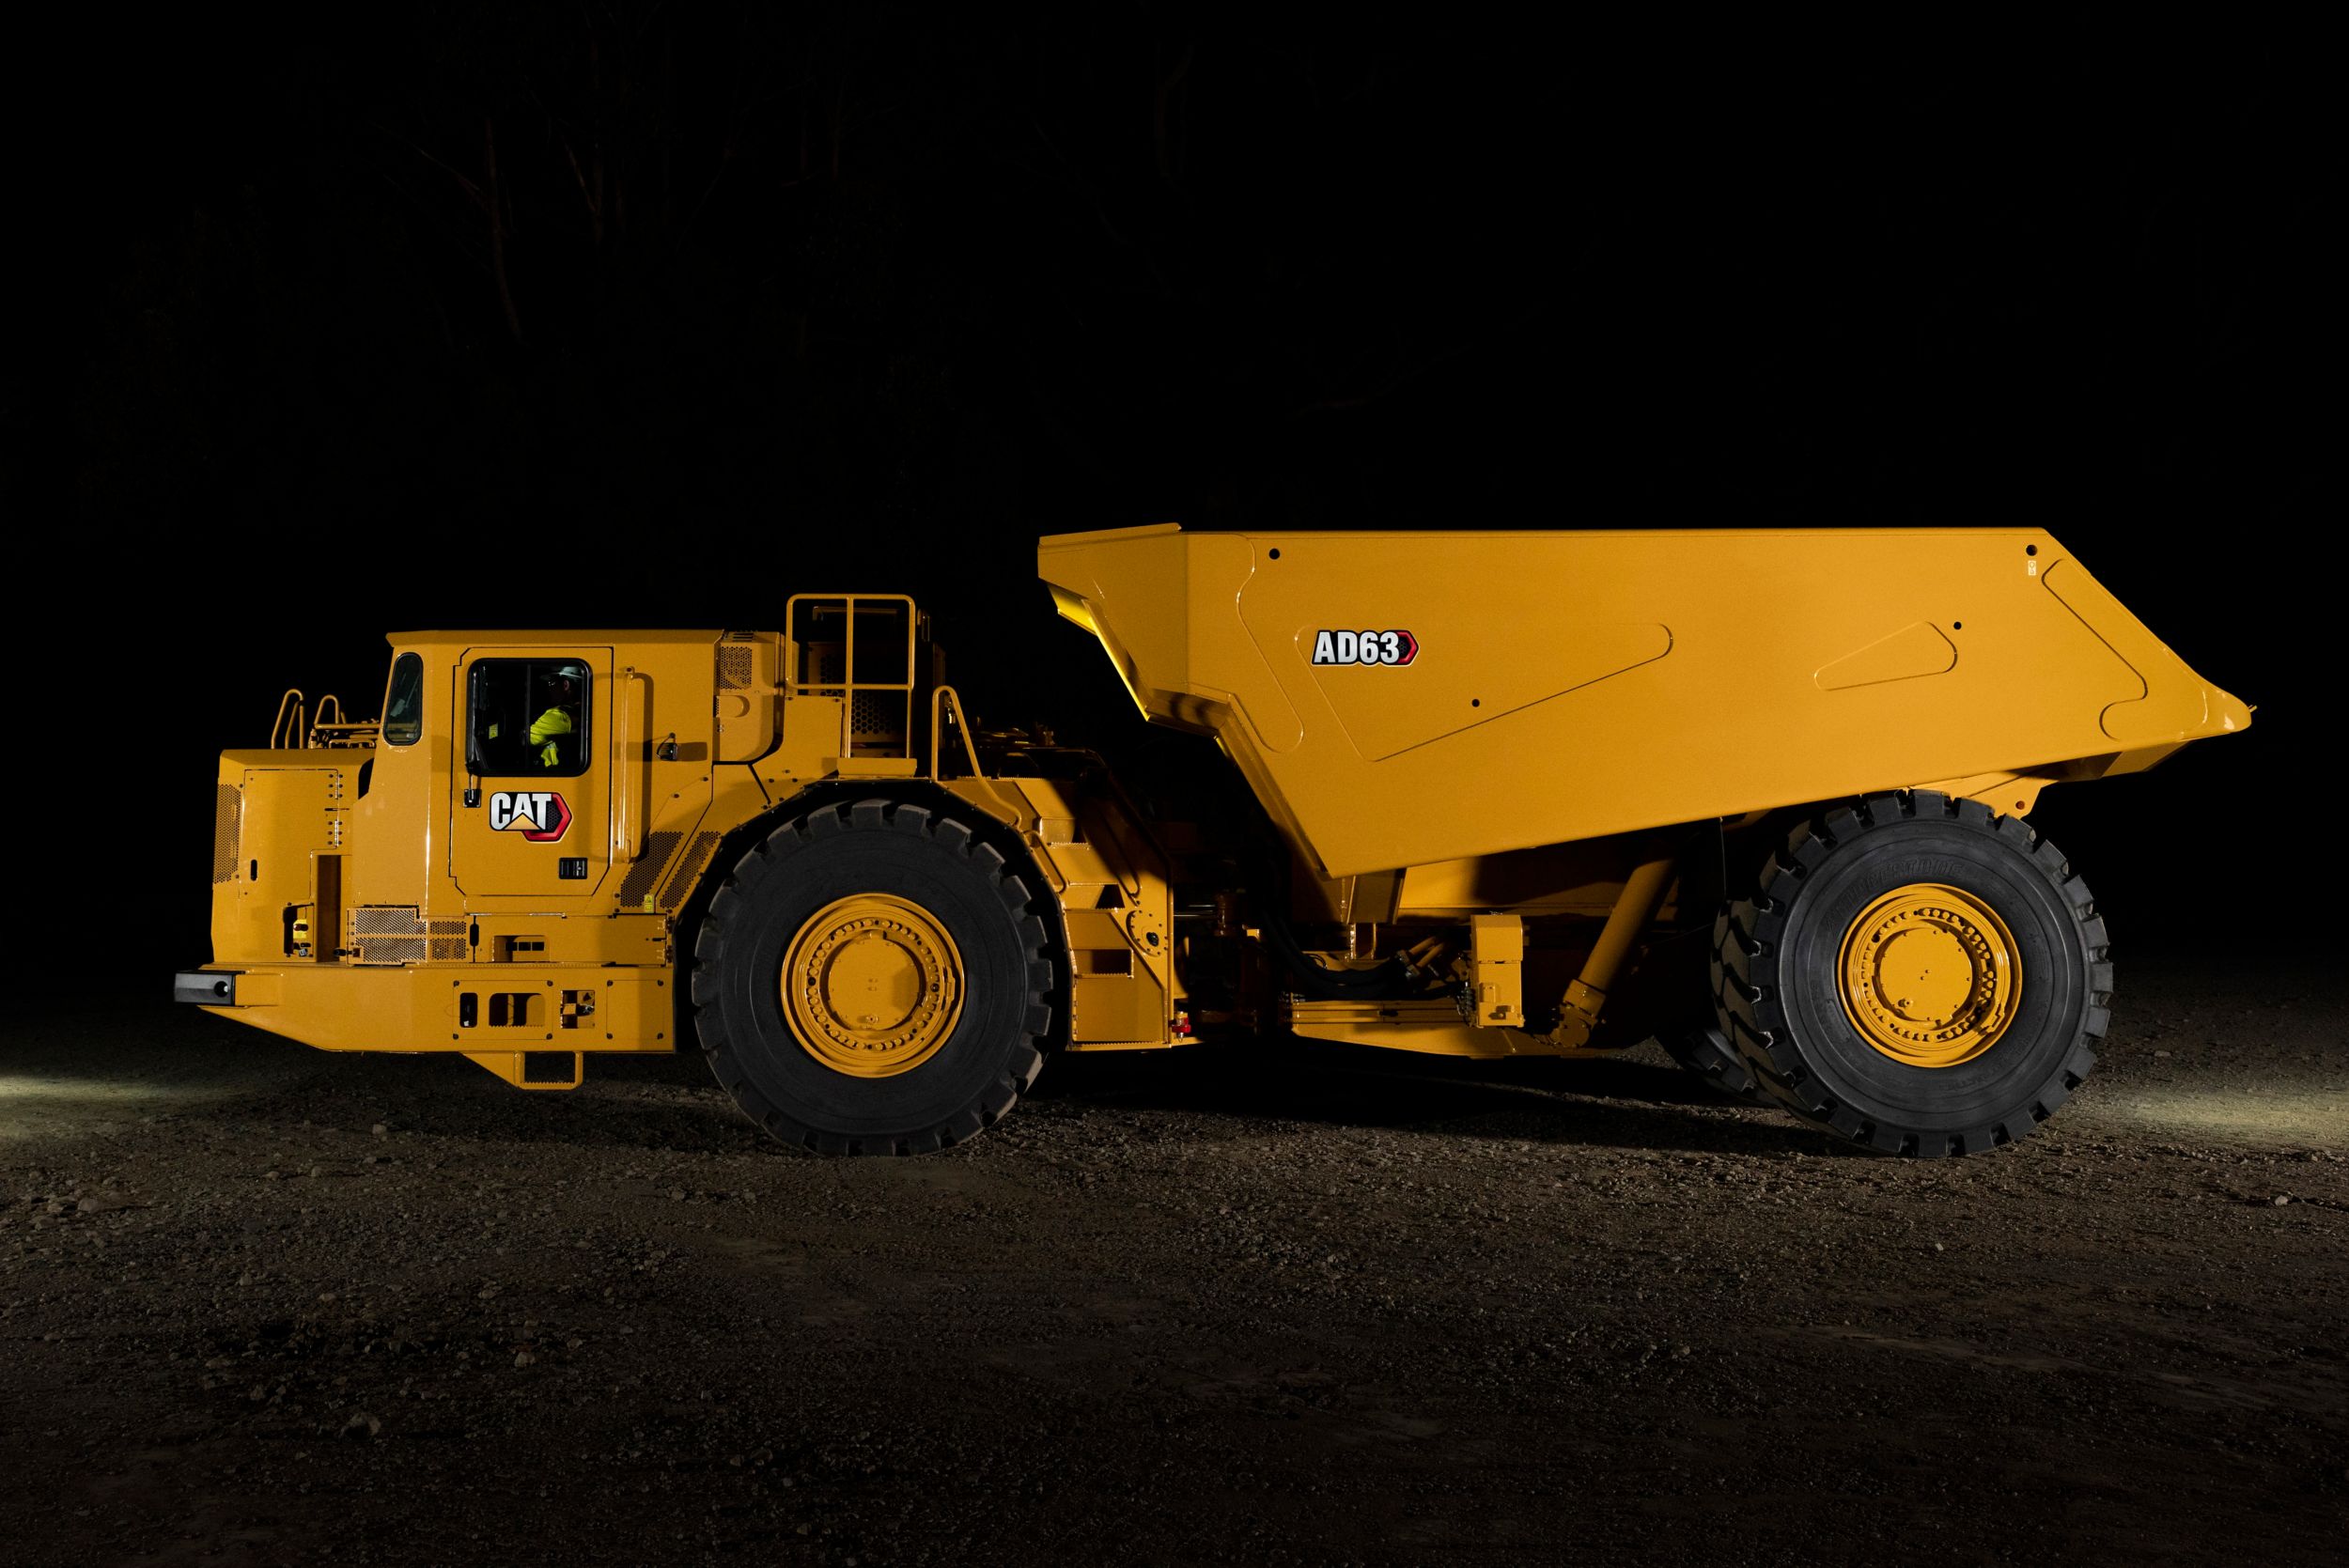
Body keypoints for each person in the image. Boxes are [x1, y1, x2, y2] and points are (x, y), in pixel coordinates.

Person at [528, 669, 582, 768]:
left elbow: (524, 739)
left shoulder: (560, 716)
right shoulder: (580, 710)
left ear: (566, 685)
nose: (549, 689)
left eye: (551, 683)